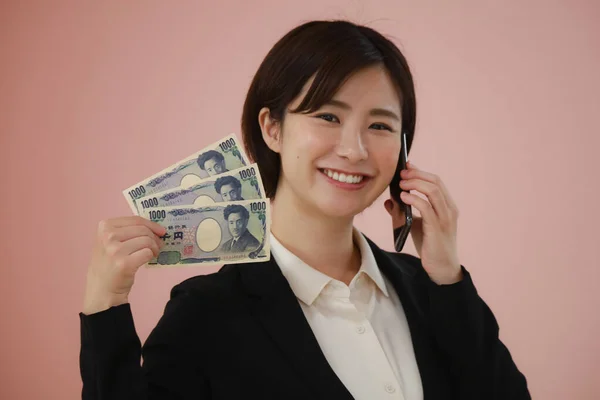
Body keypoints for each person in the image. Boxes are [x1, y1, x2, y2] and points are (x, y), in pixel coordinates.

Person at [79, 20, 531, 400]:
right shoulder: (207, 312)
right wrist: (105, 306)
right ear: (272, 128)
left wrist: (447, 277)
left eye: (380, 125)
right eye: (328, 117)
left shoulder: (431, 292)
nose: (354, 150)